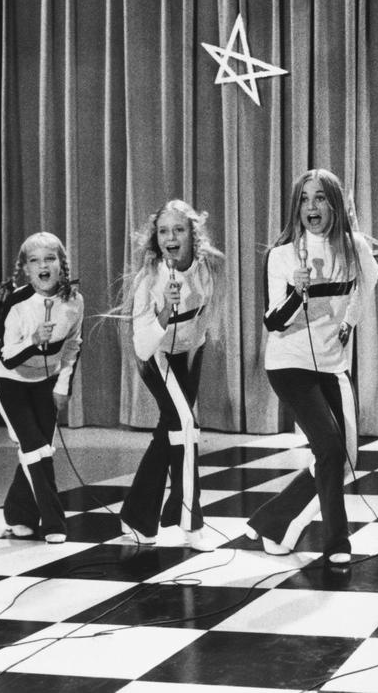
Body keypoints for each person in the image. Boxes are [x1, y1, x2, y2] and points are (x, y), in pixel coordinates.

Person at [246, 169, 378, 566]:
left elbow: (368, 283)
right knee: (329, 447)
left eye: (320, 198)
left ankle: (272, 519)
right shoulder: (283, 254)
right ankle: (337, 541)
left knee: (344, 454)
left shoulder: (356, 247)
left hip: (333, 365)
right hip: (289, 363)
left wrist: (348, 323)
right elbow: (273, 321)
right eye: (304, 199)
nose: (311, 207)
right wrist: (295, 293)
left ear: (334, 203)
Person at [118, 200, 226, 552]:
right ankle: (191, 524)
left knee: (170, 433)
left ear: (193, 236)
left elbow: (205, 320)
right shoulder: (148, 280)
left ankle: (136, 515)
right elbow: (144, 346)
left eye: (179, 230)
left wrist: (195, 351)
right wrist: (164, 309)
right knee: (186, 426)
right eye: (163, 231)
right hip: (157, 357)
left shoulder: (206, 269)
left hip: (189, 355)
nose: (170, 237)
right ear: (155, 238)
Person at [0, 232, 83, 544]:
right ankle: (55, 522)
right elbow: (7, 354)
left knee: (40, 446)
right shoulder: (17, 301)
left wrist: (63, 386)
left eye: (50, 259)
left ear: (61, 264)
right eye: (34, 261)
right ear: (26, 269)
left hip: (46, 380)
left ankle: (18, 514)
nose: (43, 266)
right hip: (8, 379)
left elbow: (73, 346)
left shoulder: (75, 301)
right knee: (35, 448)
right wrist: (33, 341)